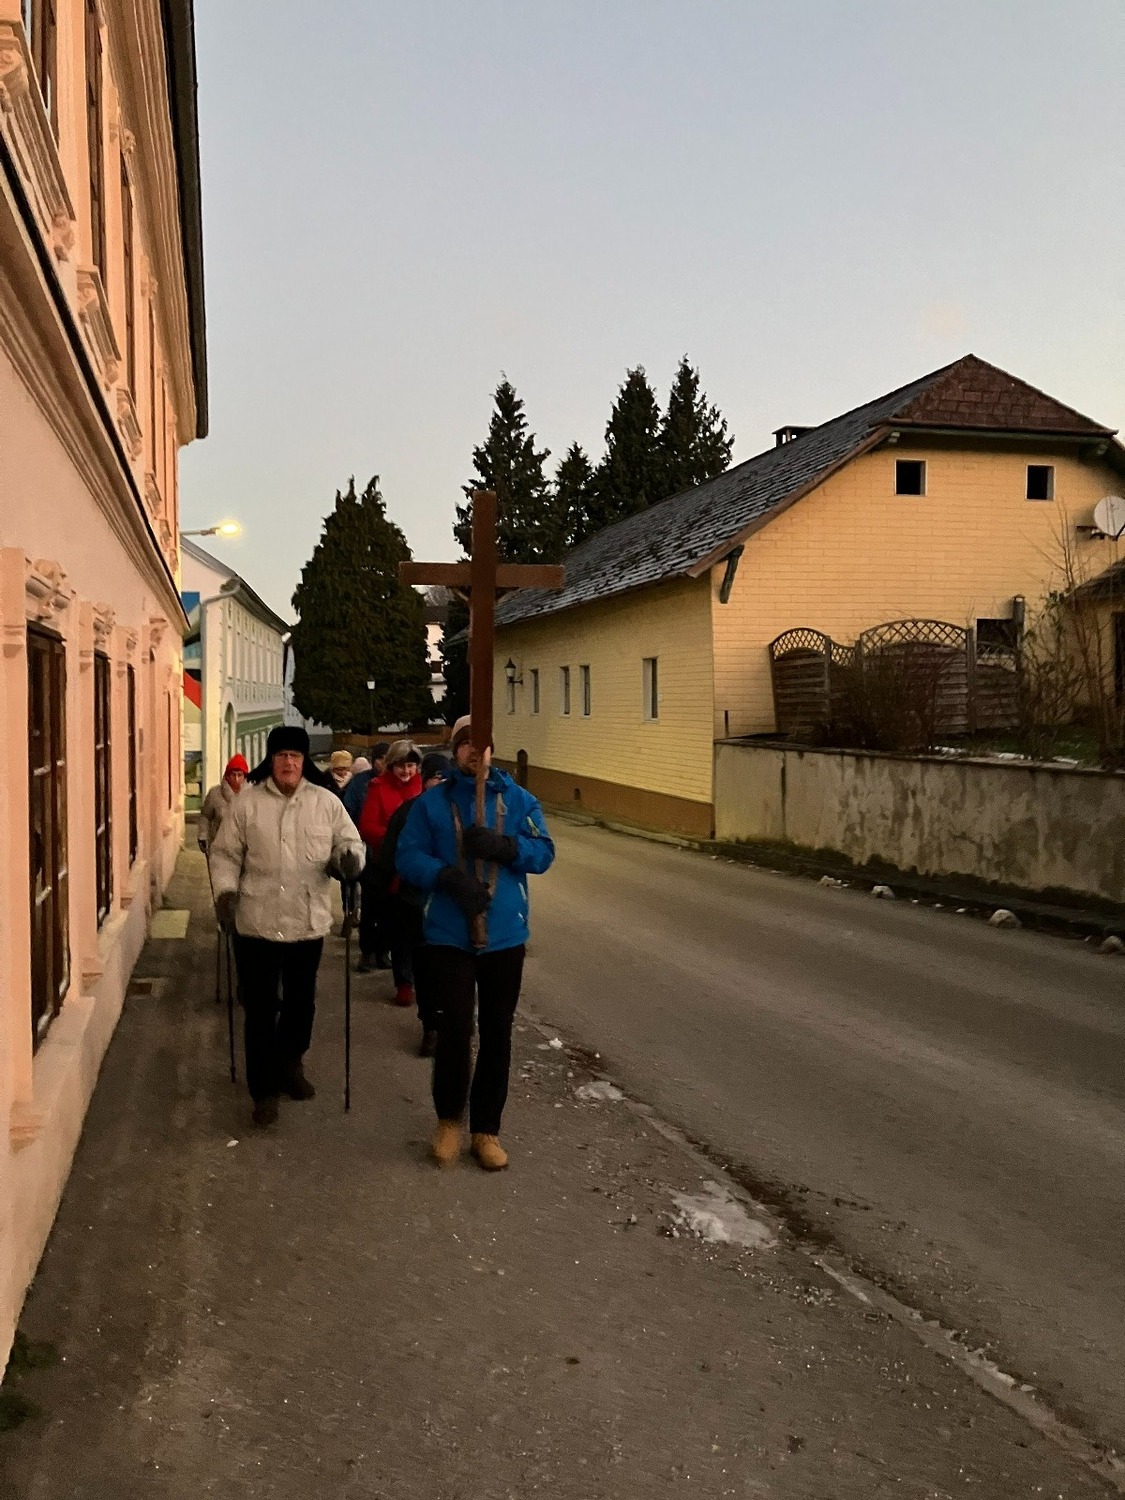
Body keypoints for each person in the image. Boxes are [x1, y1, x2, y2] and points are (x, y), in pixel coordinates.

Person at [397, 716, 555, 1171]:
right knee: (454, 1030)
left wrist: (506, 847)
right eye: (464, 743)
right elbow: (408, 856)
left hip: (505, 935)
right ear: (455, 750)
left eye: (479, 742)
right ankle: (449, 1120)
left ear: (491, 749)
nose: (472, 750)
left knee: (497, 1032)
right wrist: (446, 876)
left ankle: (486, 1130)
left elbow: (543, 851)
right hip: (449, 934)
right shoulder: (432, 803)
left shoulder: (518, 799)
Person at [209, 725, 364, 1127]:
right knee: (260, 1008)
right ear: (271, 760)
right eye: (281, 755)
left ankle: (290, 1063)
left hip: (306, 922)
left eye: (295, 755)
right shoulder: (247, 804)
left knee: (301, 1004)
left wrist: (348, 860)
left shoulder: (326, 803)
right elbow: (225, 854)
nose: (289, 763)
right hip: (256, 921)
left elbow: (350, 843)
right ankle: (263, 1091)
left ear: (304, 760)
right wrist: (225, 893)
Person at [372, 752, 449, 1053]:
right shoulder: (409, 812)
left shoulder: (458, 812)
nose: (440, 783)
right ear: (425, 780)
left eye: (445, 778)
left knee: (448, 968)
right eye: (435, 778)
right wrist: (385, 890)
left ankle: (452, 1024)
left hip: (449, 904)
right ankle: (431, 1027)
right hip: (413, 899)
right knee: (424, 965)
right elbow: (390, 854)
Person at [354, 740, 423, 987]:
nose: (406, 771)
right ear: (391, 766)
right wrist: (397, 839)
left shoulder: (421, 788)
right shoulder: (378, 787)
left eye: (411, 765)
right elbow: (368, 826)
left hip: (412, 865)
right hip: (383, 862)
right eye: (401, 766)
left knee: (402, 919)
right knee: (375, 910)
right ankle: (369, 950)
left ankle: (390, 955)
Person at [198, 754, 248, 854]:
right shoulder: (215, 794)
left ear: (245, 777)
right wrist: (203, 835)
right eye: (233, 775)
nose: (236, 779)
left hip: (245, 850)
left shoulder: (251, 795)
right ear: (227, 776)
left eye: (239, 775)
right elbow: (205, 816)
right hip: (218, 848)